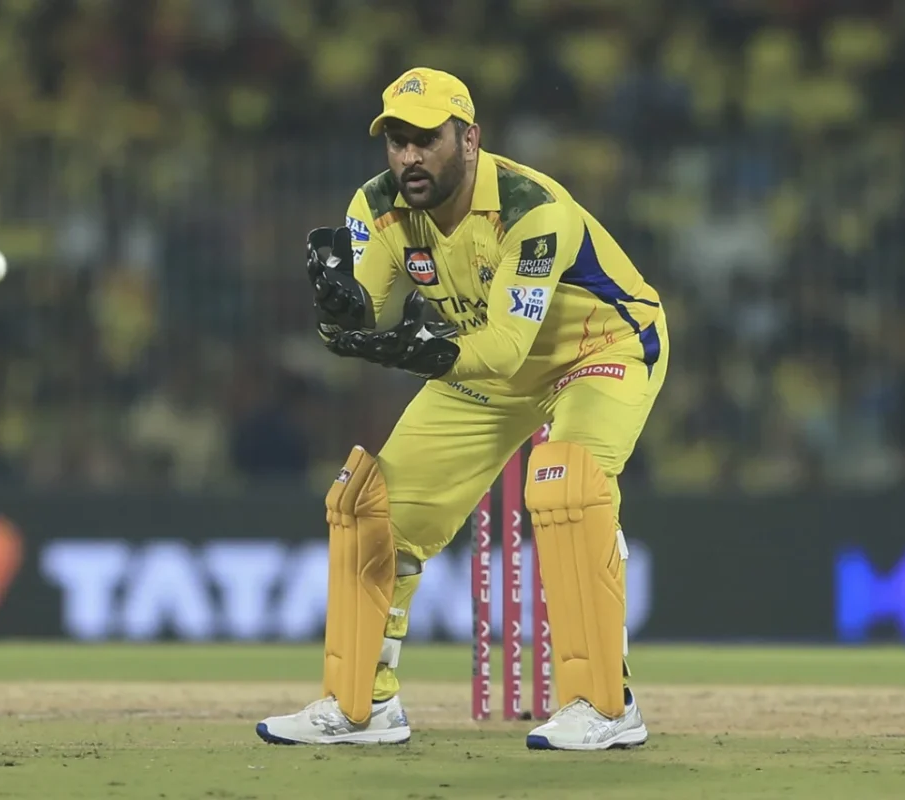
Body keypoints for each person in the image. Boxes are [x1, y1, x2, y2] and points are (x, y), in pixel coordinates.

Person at [256, 68, 669, 750]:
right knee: (371, 509)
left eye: (427, 140)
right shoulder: (377, 206)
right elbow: (369, 323)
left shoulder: (531, 208)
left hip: (602, 349)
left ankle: (606, 705)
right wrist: (339, 313)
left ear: (470, 139)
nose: (409, 157)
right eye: (397, 141)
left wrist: (418, 350)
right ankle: (362, 707)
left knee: (565, 486)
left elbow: (505, 348)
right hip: (484, 363)